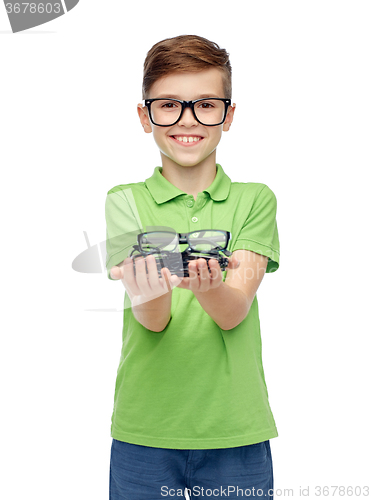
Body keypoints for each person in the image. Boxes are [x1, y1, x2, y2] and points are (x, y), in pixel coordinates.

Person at [105, 34, 280, 500]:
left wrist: (207, 287)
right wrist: (146, 292)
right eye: (168, 105)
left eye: (206, 105)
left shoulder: (254, 200)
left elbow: (232, 311)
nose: (188, 121)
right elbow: (154, 321)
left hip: (235, 430)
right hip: (143, 427)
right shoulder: (125, 201)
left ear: (228, 115)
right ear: (146, 117)